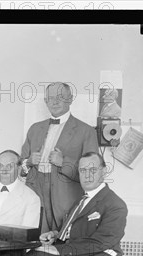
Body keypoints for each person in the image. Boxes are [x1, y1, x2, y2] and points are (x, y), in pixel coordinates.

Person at [21, 82, 99, 234]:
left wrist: (64, 162)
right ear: (45, 101)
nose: (55, 102)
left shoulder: (86, 131)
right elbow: (21, 169)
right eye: (50, 98)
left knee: (62, 247)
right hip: (35, 196)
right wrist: (29, 162)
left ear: (70, 99)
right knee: (34, 245)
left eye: (60, 97)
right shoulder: (34, 128)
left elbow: (92, 174)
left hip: (66, 199)